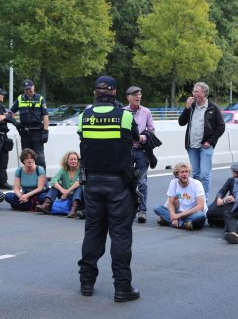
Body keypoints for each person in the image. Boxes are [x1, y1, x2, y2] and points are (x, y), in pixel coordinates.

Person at [77, 75, 141, 303]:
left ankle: (86, 282)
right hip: (118, 185)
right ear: (114, 92)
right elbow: (135, 137)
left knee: (93, 233)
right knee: (120, 236)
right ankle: (122, 288)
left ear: (95, 92)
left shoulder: (84, 116)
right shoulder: (124, 115)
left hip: (92, 184)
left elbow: (83, 139)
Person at [178, 82, 225, 200]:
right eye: (193, 91)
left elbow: (221, 126)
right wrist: (187, 108)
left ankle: (205, 199)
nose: (193, 94)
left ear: (204, 93)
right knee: (196, 175)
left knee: (205, 175)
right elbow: (181, 122)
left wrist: (210, 141)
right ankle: (198, 198)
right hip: (192, 145)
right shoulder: (192, 107)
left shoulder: (213, 108)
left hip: (206, 146)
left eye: (196, 91)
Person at [124, 85, 155, 223]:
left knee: (142, 182)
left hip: (142, 150)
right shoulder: (122, 112)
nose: (138, 97)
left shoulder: (146, 112)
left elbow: (152, 129)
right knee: (126, 181)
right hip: (126, 151)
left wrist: (144, 137)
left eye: (139, 94)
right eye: (135, 94)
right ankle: (127, 208)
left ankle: (142, 211)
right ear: (128, 97)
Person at [153, 162, 207, 230]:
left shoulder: (196, 184)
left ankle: (170, 221)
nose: (184, 174)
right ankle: (184, 224)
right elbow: (171, 203)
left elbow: (200, 206)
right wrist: (173, 215)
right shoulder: (174, 183)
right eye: (182, 172)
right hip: (179, 212)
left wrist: (178, 216)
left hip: (192, 213)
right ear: (177, 174)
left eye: (186, 172)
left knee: (200, 216)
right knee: (157, 208)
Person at [10, 79, 49, 169]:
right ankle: (28, 179)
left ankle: (42, 180)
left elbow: (45, 116)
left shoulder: (39, 98)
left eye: (29, 88)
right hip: (25, 133)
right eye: (26, 89)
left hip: (37, 133)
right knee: (26, 157)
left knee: (40, 158)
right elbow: (11, 112)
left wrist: (46, 132)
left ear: (33, 87)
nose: (28, 91)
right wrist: (15, 122)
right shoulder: (20, 98)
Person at [36, 150, 83, 218]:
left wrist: (67, 191)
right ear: (67, 161)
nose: (73, 161)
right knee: (54, 186)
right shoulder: (63, 170)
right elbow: (53, 180)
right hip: (64, 194)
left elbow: (79, 182)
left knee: (79, 188)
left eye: (75, 159)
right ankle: (46, 205)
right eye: (71, 159)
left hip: (76, 196)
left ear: (78, 160)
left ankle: (73, 210)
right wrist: (62, 190)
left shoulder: (80, 170)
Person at [206, 162, 238, 227]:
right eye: (233, 172)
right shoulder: (231, 180)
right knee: (208, 211)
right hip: (229, 203)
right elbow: (222, 191)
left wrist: (236, 200)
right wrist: (219, 198)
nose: (235, 175)